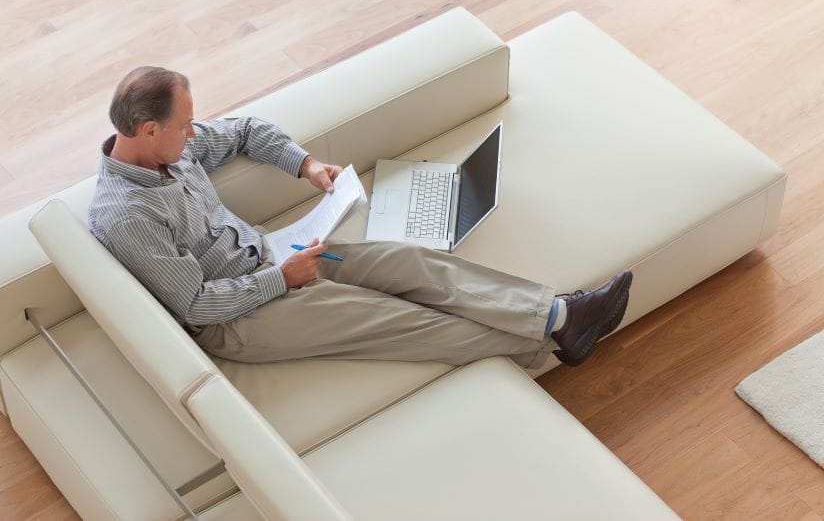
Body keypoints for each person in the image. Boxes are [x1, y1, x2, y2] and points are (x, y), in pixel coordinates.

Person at [89, 66, 633, 369]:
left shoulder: (172, 149)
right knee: (396, 318)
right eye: (184, 124)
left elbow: (247, 130)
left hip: (278, 256)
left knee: (407, 265)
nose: (193, 131)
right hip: (236, 318)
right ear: (148, 130)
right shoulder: (128, 215)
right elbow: (195, 303)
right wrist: (282, 279)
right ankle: (554, 340)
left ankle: (559, 313)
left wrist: (305, 165)